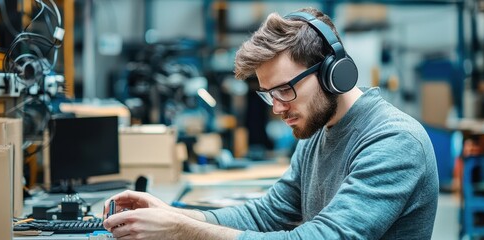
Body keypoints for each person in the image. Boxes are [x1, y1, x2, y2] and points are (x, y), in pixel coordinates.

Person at [103, 7, 438, 240]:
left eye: (285, 90)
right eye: (268, 94)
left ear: (332, 73)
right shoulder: (315, 132)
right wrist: (173, 214)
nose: (276, 107)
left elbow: (324, 237)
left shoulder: (394, 141)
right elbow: (265, 215)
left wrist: (179, 231)